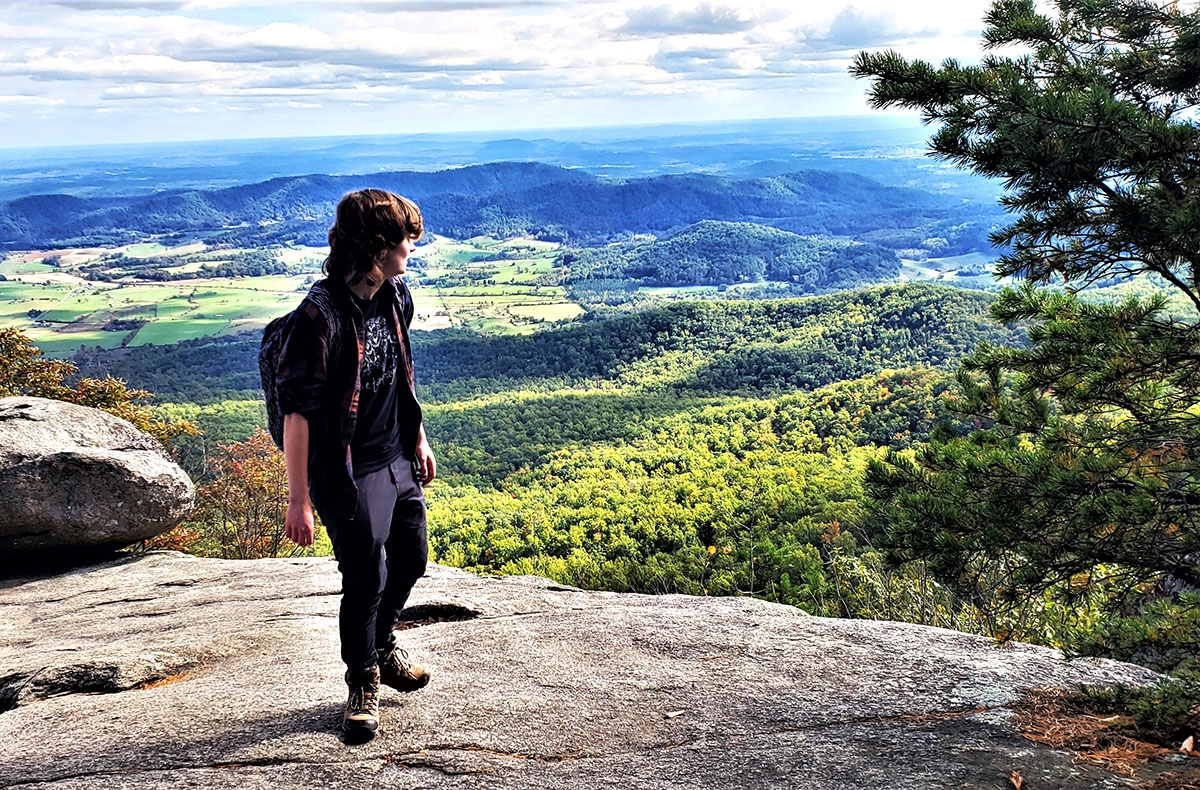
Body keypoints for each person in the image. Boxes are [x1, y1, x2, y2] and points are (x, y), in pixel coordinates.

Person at [275, 188, 436, 740]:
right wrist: (299, 499)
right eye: (403, 243)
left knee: (411, 559)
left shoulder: (396, 297)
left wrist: (418, 438)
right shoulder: (317, 320)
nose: (410, 251)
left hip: (395, 454)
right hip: (348, 472)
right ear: (373, 248)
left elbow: (400, 377)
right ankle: (362, 680)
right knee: (365, 577)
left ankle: (382, 642)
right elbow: (298, 415)